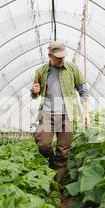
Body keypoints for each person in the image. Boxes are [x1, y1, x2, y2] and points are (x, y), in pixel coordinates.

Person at [30, 41, 89, 183]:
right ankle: (51, 160)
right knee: (44, 145)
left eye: (63, 56)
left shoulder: (72, 69)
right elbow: (35, 93)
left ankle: (57, 186)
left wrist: (86, 112)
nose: (61, 59)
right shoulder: (41, 71)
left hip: (67, 115)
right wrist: (33, 92)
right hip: (47, 113)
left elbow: (83, 91)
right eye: (58, 57)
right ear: (49, 55)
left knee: (63, 152)